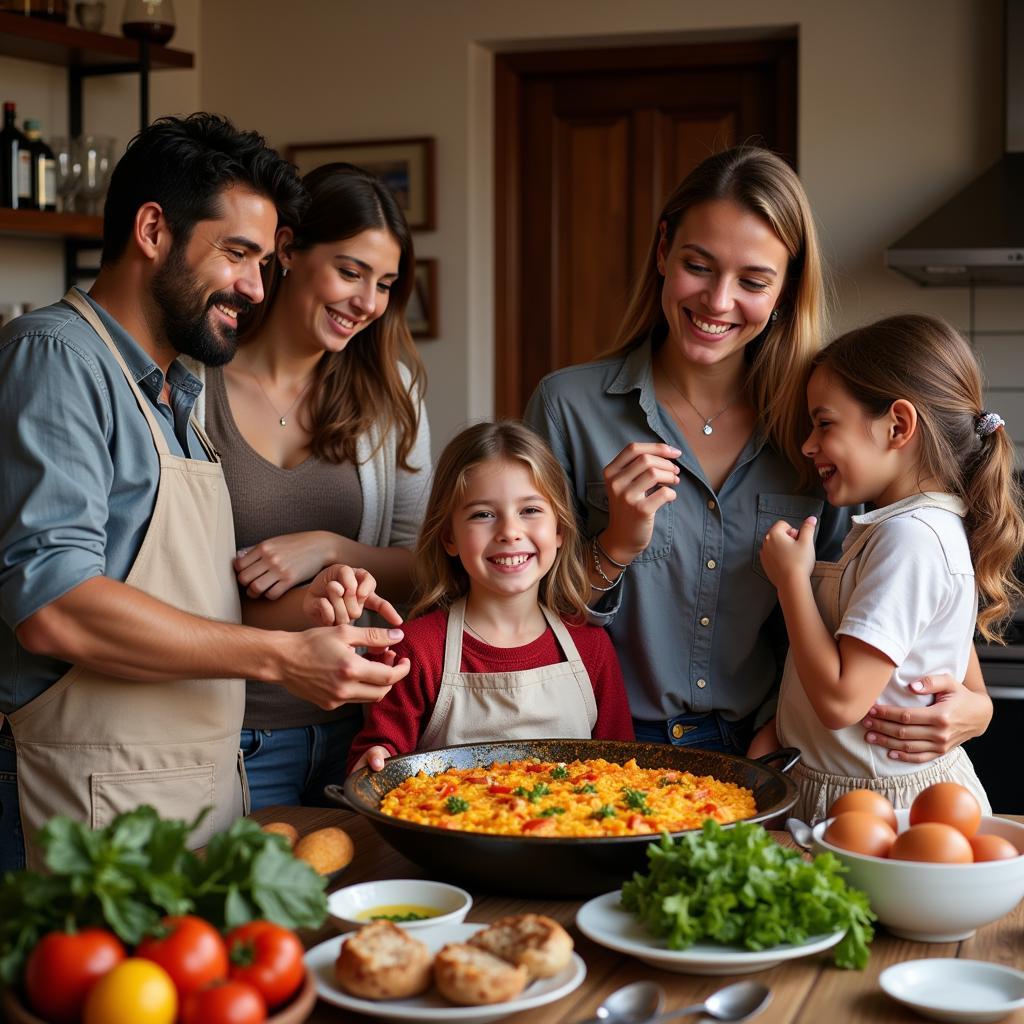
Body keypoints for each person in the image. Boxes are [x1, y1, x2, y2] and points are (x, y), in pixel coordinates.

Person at [0, 114, 410, 872]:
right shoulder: (58, 357)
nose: (256, 287)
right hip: (81, 808)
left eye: (264, 260)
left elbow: (185, 596)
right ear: (153, 229)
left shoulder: (174, 388)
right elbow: (53, 607)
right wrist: (282, 658)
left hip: (177, 801)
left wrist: (314, 601)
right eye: (239, 254)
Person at [524, 145, 994, 757]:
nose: (718, 302)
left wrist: (977, 703)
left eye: (752, 281)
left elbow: (891, 579)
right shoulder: (568, 407)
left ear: (785, 290)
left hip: (769, 753)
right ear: (664, 250)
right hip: (602, 746)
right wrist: (613, 545)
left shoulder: (819, 430)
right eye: (699, 265)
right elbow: (513, 611)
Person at [185, 163, 430, 808]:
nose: (367, 303)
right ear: (287, 251)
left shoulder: (390, 394)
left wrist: (329, 547)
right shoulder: (189, 383)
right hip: (219, 732)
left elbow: (424, 566)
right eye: (349, 272)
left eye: (384, 284)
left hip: (356, 732)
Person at [760, 315, 1022, 821]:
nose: (808, 445)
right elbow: (946, 666)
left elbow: (840, 703)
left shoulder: (911, 538)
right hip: (856, 790)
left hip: (879, 808)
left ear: (897, 425)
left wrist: (791, 581)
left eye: (825, 423)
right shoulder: (912, 526)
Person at [346, 421, 634, 773]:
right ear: (449, 537)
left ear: (558, 529)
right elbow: (377, 757)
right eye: (483, 515)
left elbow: (622, 768)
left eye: (529, 510)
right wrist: (373, 759)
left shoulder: (591, 647)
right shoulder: (419, 649)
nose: (510, 532)